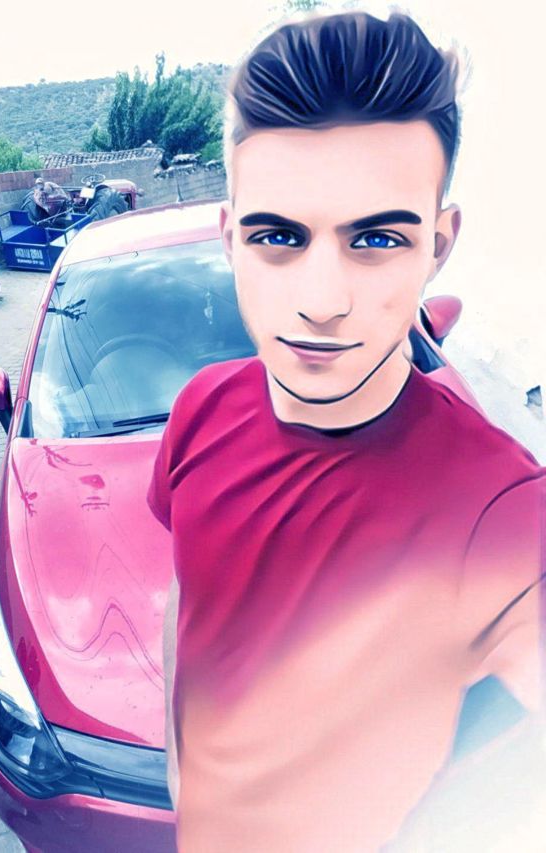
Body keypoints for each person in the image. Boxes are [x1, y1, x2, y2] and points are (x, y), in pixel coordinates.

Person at [147, 10, 546, 852]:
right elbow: (188, 592)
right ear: (230, 240)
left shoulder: (504, 510)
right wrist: (181, 772)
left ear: (438, 246)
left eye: (376, 238)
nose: (322, 301)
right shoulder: (199, 409)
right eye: (277, 237)